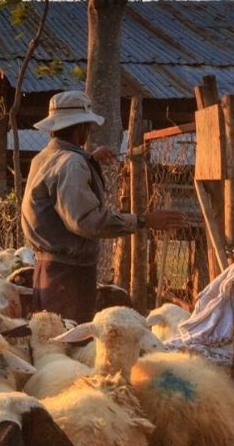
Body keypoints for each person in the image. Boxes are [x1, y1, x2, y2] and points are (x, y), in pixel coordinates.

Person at [21, 90, 187, 324]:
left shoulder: (46, 157)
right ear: (81, 128)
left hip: (47, 268)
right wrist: (144, 220)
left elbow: (62, 184)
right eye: (87, 127)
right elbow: (86, 221)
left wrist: (90, 157)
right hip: (68, 277)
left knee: (51, 341)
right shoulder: (72, 164)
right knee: (70, 343)